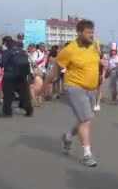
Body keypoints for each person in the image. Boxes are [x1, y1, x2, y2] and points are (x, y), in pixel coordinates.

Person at [43, 19, 101, 167]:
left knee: (84, 119)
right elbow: (55, 71)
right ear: (79, 33)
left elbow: (95, 62)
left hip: (91, 88)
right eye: (88, 32)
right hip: (74, 87)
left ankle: (68, 137)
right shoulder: (69, 50)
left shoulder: (96, 45)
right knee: (86, 119)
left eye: (92, 32)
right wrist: (44, 86)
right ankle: (87, 154)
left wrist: (102, 65)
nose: (91, 35)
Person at [0, 36, 33, 118]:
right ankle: (29, 110)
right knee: (24, 93)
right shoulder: (22, 51)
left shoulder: (6, 52)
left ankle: (7, 112)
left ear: (5, 43)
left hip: (9, 75)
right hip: (21, 75)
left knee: (8, 95)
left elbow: (2, 63)